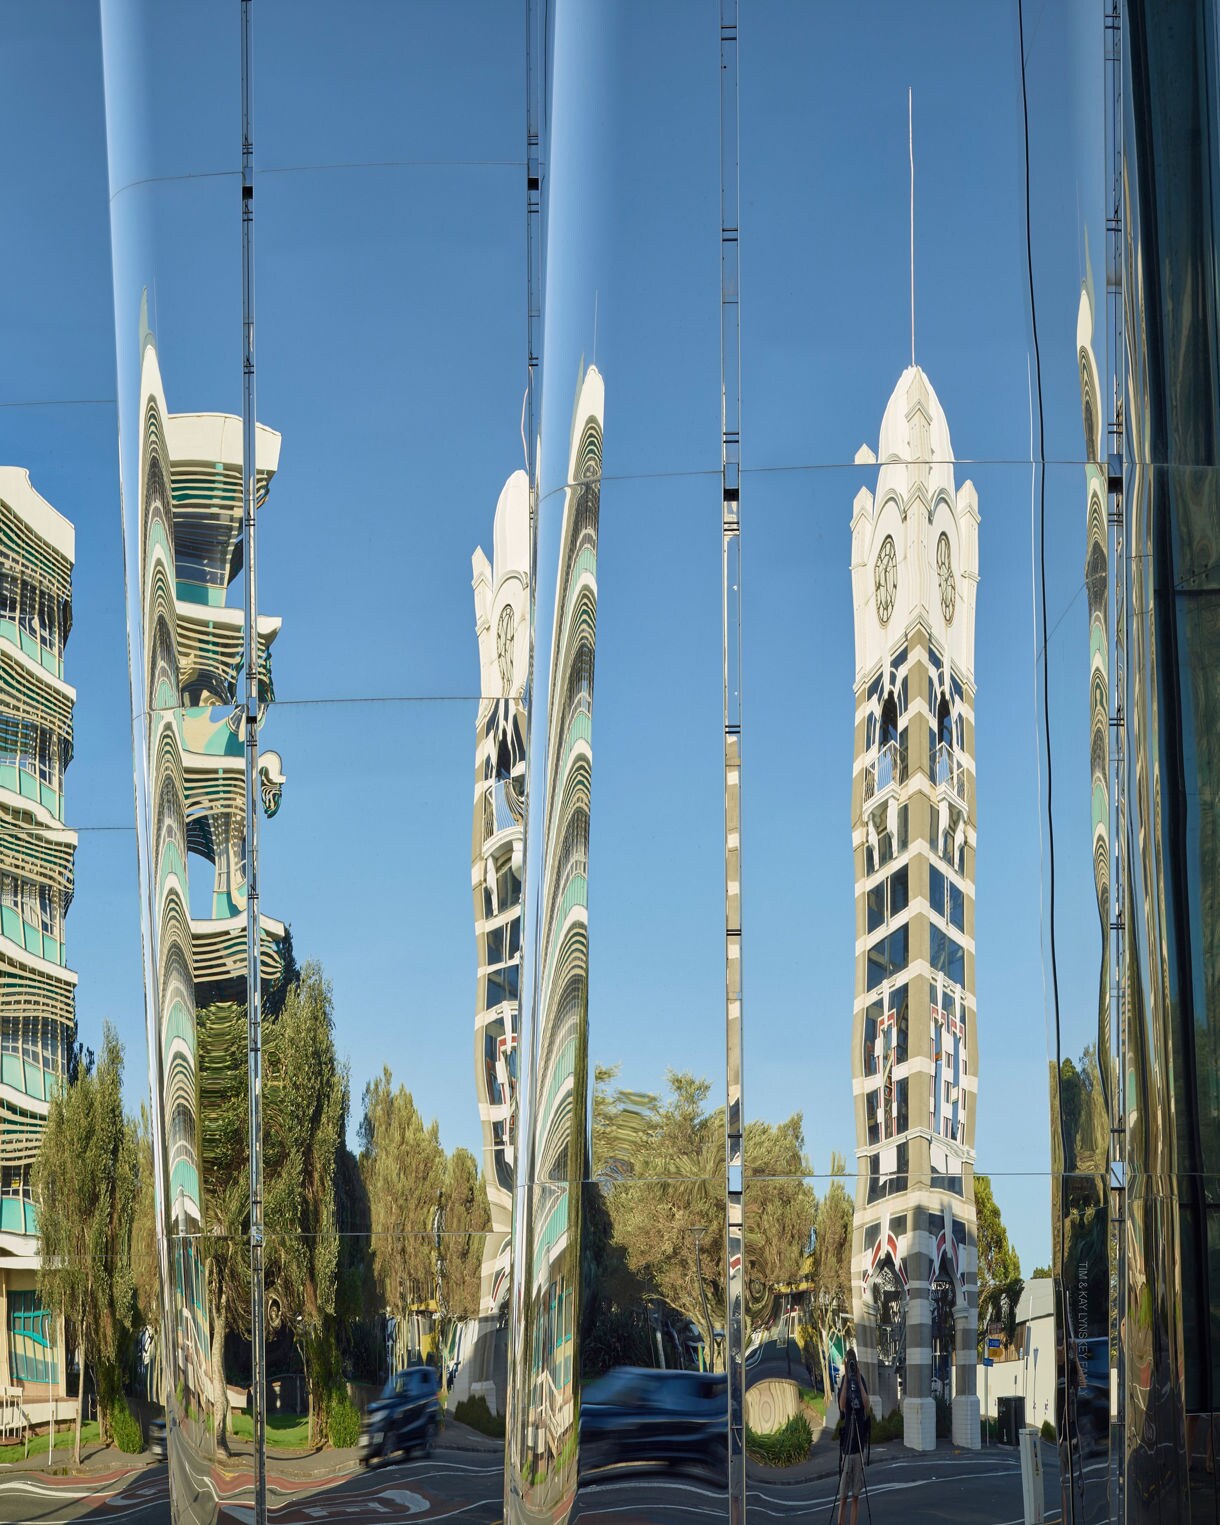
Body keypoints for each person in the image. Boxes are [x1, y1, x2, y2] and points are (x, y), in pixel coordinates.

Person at [836, 1347, 871, 1525]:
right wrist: (847, 1377)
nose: (851, 1365)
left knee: (855, 1496)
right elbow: (842, 1406)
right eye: (849, 1362)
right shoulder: (844, 1381)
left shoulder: (860, 1380)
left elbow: (866, 1405)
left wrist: (857, 1377)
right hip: (847, 1447)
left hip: (858, 1448)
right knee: (843, 1496)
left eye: (852, 1362)